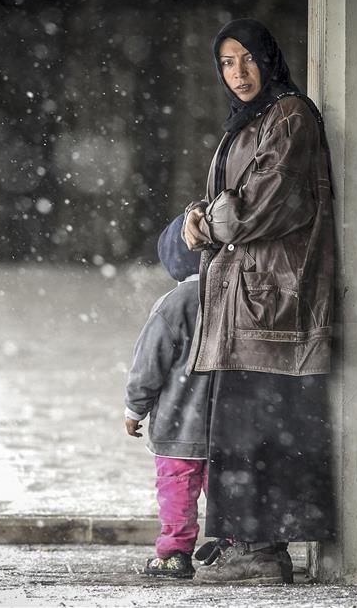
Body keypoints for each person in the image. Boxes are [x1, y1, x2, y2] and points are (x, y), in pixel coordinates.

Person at [181, 18, 336, 585]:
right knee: (243, 429)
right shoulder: (248, 121)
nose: (238, 72)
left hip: (272, 302)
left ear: (268, 58)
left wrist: (209, 222)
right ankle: (250, 546)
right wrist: (198, 217)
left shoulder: (289, 115)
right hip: (245, 300)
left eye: (247, 58)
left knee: (259, 429)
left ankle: (261, 551)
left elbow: (261, 206)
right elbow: (231, 201)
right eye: (227, 62)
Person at [124, 214, 210, 579]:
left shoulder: (172, 304)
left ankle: (175, 552)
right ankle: (233, 544)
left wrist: (135, 408)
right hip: (226, 424)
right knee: (226, 490)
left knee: (177, 490)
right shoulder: (231, 298)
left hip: (177, 427)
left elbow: (149, 364)